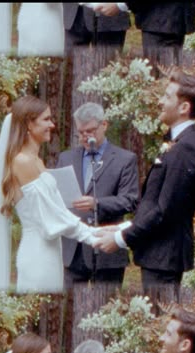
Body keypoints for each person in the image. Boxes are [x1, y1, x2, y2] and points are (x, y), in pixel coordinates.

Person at [94, 71, 195, 312]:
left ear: (184, 107)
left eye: (167, 97)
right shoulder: (180, 143)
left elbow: (165, 211)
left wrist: (120, 239)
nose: (160, 101)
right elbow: (158, 203)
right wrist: (125, 226)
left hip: (164, 258)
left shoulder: (188, 148)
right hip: (159, 256)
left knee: (160, 324)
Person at [0, 95, 98, 293]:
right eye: (46, 119)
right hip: (38, 254)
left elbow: (55, 210)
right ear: (29, 125)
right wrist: (94, 236)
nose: (52, 124)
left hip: (50, 251)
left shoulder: (37, 161)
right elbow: (51, 217)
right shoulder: (23, 162)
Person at [56, 102, 139, 289]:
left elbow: (130, 200)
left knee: (105, 305)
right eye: (81, 133)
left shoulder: (125, 159)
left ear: (104, 125)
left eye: (91, 131)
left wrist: (97, 203)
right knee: (71, 305)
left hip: (107, 248)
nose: (86, 137)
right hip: (73, 248)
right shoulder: (66, 158)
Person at [127, 2, 195, 77]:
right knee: (171, 73)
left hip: (155, 17)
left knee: (155, 75)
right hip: (178, 17)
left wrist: (124, 5)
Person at [63, 3, 131, 56]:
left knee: (106, 69)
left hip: (110, 15)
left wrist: (120, 4)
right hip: (74, 13)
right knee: (70, 69)